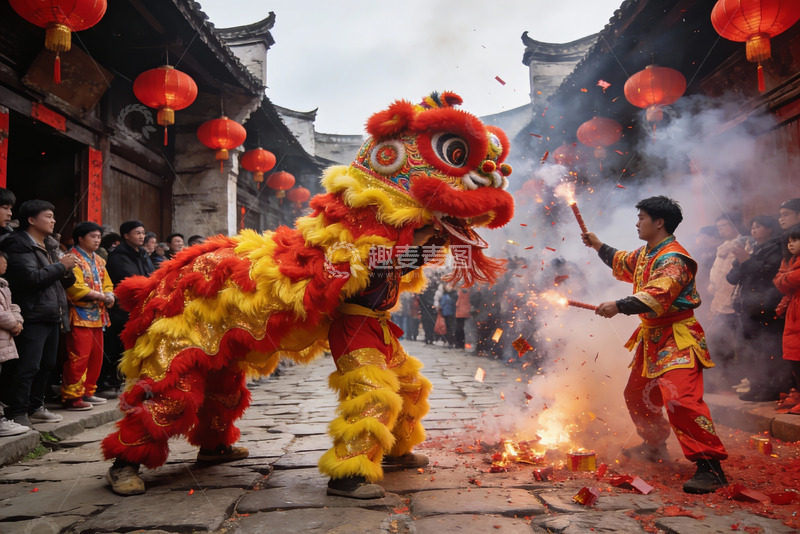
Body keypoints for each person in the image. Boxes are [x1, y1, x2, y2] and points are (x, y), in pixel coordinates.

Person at [582, 195, 728, 494]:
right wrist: (597, 244)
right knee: (637, 395)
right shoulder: (648, 252)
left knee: (681, 400)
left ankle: (711, 467)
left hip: (678, 338)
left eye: (642, 218)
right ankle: (655, 445)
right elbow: (622, 260)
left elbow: (659, 294)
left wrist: (619, 305)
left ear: (658, 222)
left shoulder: (673, 258)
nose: (637, 223)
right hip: (652, 340)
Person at [321, 225, 441, 498]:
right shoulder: (358, 247)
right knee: (374, 396)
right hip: (354, 329)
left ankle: (395, 451)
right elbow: (370, 269)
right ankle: (347, 474)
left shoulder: (392, 253)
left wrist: (439, 238)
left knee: (412, 385)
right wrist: (414, 240)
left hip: (380, 329)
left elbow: (406, 263)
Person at [0, 200, 77, 427]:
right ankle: (18, 410)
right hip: (32, 313)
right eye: (48, 216)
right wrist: (61, 266)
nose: (53, 220)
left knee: (46, 364)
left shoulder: (50, 245)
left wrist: (67, 268)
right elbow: (30, 278)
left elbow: (66, 281)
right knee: (28, 365)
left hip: (52, 312)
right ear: (32, 220)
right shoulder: (18, 243)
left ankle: (36, 406)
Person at [726, 215, 789, 401]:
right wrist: (740, 260)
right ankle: (756, 385)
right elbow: (731, 278)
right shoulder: (752, 249)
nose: (753, 230)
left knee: (767, 349)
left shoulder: (777, 248)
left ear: (770, 229)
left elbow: (768, 274)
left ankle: (772, 388)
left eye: (758, 226)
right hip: (748, 308)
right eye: (752, 227)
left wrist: (746, 260)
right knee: (749, 348)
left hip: (767, 307)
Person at [61, 222, 115, 411]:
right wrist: (102, 296)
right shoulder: (71, 258)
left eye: (99, 237)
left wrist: (110, 295)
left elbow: (108, 283)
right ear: (80, 238)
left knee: (95, 356)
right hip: (79, 314)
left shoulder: (99, 260)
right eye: (93, 236)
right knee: (79, 356)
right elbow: (74, 288)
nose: (97, 240)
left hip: (98, 315)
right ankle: (72, 396)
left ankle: (87, 392)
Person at [99, 221, 154, 396]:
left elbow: (152, 276)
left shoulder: (143, 254)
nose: (141, 236)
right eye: (137, 233)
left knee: (132, 347)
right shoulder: (118, 256)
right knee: (115, 346)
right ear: (126, 235)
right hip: (121, 309)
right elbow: (129, 279)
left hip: (140, 308)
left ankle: (125, 380)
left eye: (143, 232)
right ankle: (107, 382)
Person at [706, 214, 744, 390]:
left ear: (734, 225)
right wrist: (712, 286)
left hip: (734, 302)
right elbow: (717, 273)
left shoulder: (743, 243)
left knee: (736, 342)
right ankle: (722, 379)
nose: (721, 229)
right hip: (719, 300)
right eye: (719, 226)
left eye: (724, 225)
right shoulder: (722, 247)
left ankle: (736, 378)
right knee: (719, 341)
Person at [0, 251, 29, 436]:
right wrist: (13, 324)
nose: (6, 263)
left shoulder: (4, 285)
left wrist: (18, 322)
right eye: (3, 260)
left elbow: (13, 307)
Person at [774, 224, 800, 414]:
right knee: (795, 359)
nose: (791, 245)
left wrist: (785, 278)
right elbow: (780, 282)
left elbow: (787, 280)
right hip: (793, 314)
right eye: (789, 241)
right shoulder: (789, 262)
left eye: (796, 240)